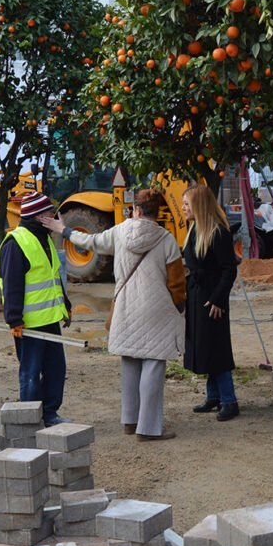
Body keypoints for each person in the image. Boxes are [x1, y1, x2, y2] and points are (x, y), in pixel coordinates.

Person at [43, 189, 186, 441]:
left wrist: (63, 230)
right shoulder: (167, 240)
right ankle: (149, 428)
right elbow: (176, 284)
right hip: (156, 309)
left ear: (136, 209)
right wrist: (178, 308)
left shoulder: (119, 232)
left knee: (130, 361)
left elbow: (90, 242)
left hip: (126, 308)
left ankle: (130, 421)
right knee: (153, 363)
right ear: (158, 211)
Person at [0, 192, 72, 427]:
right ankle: (29, 420)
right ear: (39, 216)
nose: (54, 216)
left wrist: (65, 306)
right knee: (30, 373)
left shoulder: (45, 239)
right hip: (28, 324)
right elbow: (12, 285)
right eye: (50, 212)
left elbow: (53, 277)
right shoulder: (16, 243)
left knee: (55, 369)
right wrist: (14, 319)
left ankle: (49, 413)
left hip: (49, 319)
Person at [181, 185, 241, 422]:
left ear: (199, 206)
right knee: (205, 348)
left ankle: (229, 400)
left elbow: (229, 270)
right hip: (197, 296)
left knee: (216, 350)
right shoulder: (195, 229)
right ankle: (213, 396)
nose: (184, 208)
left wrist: (218, 299)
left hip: (212, 298)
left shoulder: (218, 232)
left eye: (187, 204)